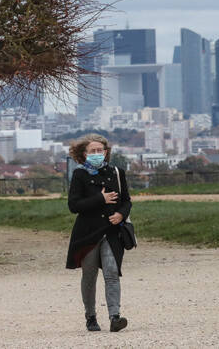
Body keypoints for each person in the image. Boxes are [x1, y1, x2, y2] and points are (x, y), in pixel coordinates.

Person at [66, 133, 132, 332]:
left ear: (106, 152)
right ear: (84, 154)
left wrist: (121, 214)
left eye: (100, 150)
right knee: (89, 275)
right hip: (88, 233)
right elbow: (74, 205)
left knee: (112, 272)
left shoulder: (117, 172)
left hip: (112, 232)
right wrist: (100, 199)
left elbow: (127, 200)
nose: (97, 154)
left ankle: (115, 317)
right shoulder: (80, 174)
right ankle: (91, 317)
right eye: (92, 151)